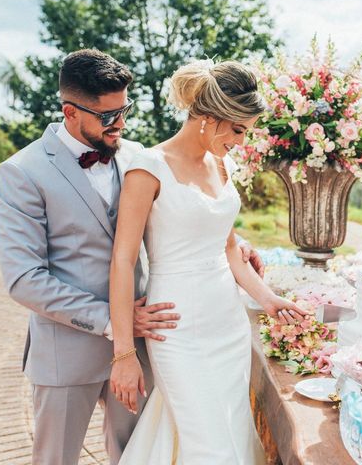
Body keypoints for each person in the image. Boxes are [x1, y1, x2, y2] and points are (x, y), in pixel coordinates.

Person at [0, 49, 264, 465]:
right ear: (70, 111)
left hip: (148, 341)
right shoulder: (22, 171)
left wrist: (234, 242)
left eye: (125, 110)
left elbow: (181, 210)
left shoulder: (139, 155)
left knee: (137, 452)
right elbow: (23, 278)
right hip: (69, 348)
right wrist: (111, 321)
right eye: (108, 116)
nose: (121, 124)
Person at [109, 59, 306, 464]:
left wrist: (268, 299)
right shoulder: (147, 169)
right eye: (237, 129)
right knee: (209, 444)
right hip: (178, 330)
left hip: (228, 323)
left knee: (231, 431)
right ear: (210, 117)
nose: (240, 141)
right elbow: (122, 261)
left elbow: (228, 247)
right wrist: (124, 353)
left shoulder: (222, 164)